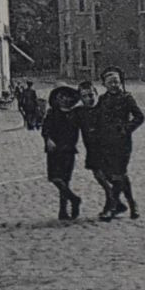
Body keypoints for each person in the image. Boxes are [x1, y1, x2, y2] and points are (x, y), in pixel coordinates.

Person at [89, 67, 145, 221]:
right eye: (110, 82)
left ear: (121, 83)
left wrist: (127, 129)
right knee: (115, 175)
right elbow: (96, 117)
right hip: (106, 143)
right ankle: (131, 204)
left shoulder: (127, 98)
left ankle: (111, 206)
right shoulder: (102, 100)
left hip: (122, 143)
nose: (114, 85)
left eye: (117, 82)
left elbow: (139, 117)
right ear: (104, 85)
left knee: (118, 174)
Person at [41, 86, 85, 220]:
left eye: (66, 96)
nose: (64, 99)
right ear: (56, 99)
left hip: (68, 150)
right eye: (60, 97)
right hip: (54, 151)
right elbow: (45, 129)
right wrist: (48, 139)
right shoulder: (52, 113)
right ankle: (74, 199)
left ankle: (63, 210)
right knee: (54, 178)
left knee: (65, 180)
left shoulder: (76, 114)